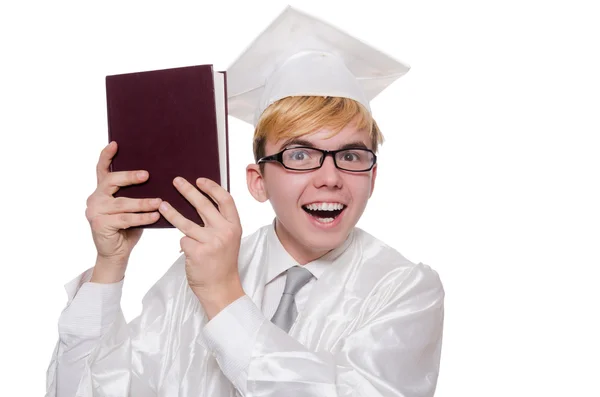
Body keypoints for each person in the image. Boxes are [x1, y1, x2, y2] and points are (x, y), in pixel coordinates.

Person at [45, 6, 444, 397]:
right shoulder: (194, 275)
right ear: (258, 182)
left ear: (372, 177)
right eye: (299, 155)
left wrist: (222, 294)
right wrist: (109, 267)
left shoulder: (405, 289)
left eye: (351, 156)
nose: (329, 178)